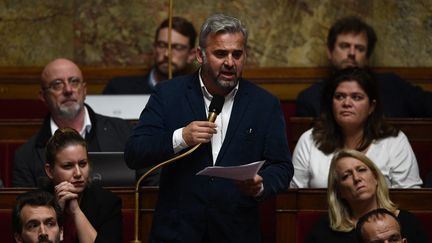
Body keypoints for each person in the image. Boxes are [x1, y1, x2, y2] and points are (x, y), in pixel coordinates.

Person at [125, 14, 293, 242]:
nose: (230, 62)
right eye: (220, 54)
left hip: (236, 232)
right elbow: (135, 152)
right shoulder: (168, 94)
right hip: (177, 233)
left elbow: (282, 167)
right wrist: (182, 137)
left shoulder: (264, 104)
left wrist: (261, 185)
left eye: (237, 54)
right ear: (200, 55)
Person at [290, 68, 422, 188]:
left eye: (356, 97)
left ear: (371, 106)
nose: (347, 103)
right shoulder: (309, 140)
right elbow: (293, 197)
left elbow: (411, 198)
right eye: (339, 97)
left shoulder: (394, 141)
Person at [13, 58, 133, 187]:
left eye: (74, 81)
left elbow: (149, 180)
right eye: (57, 84)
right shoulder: (26, 156)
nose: (68, 90)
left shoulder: (123, 131)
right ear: (43, 96)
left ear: (84, 90)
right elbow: (25, 205)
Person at [296, 16, 432, 117]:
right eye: (344, 46)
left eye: (360, 48)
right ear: (330, 52)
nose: (352, 53)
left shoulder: (392, 86)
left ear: (367, 58)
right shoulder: (311, 97)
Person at [305, 149, 427, 243]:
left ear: (376, 178)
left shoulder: (407, 223)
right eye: (346, 176)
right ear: (339, 191)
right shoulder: (324, 232)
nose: (357, 178)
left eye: (361, 170)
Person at [44, 127, 122, 242]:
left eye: (82, 164)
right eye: (68, 166)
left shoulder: (107, 203)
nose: (78, 173)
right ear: (50, 171)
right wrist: (57, 213)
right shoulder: (35, 203)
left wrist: (76, 211)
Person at [103, 16, 197, 94]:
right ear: (154, 48)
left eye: (177, 47)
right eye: (161, 45)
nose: (167, 54)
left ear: (191, 55)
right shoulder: (119, 88)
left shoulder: (198, 94)